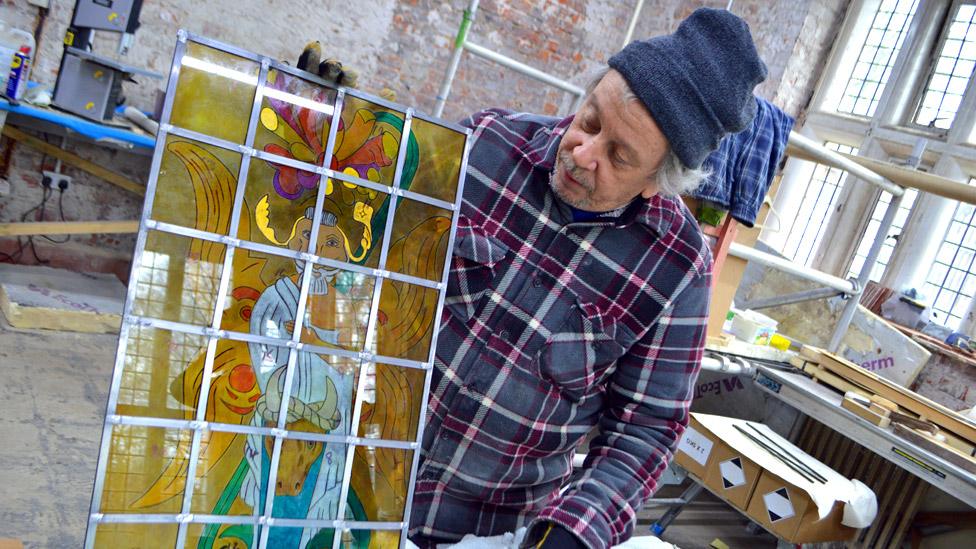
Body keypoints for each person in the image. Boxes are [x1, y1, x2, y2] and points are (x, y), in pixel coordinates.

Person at [301, 7, 766, 548]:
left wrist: (574, 530)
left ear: (655, 184)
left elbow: (645, 432)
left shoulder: (677, 268)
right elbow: (349, 243)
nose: (582, 153)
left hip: (474, 534)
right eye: (590, 122)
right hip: (330, 476)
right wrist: (315, 144)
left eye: (618, 156)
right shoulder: (486, 146)